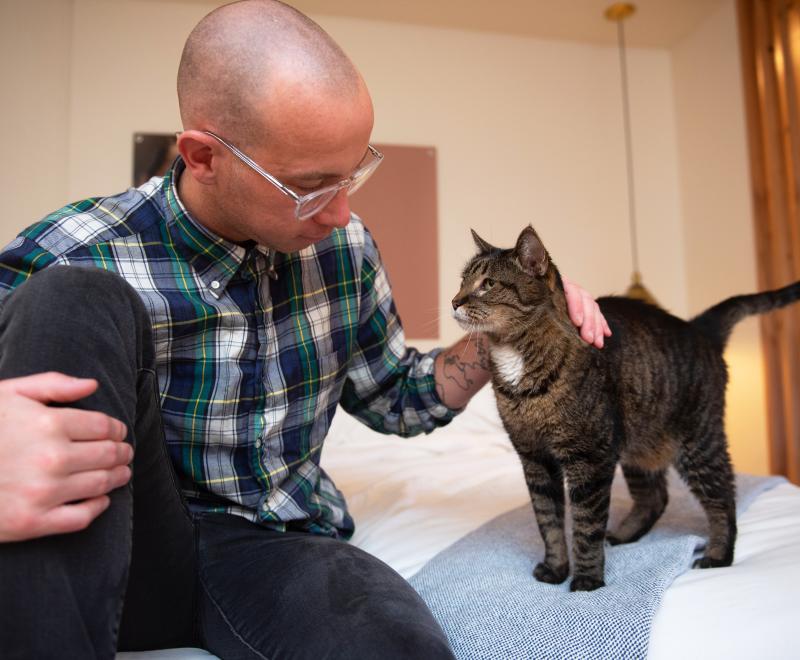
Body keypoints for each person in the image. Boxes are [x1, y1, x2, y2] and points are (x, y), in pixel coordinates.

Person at [0, 1, 610, 658]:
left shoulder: (345, 250)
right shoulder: (77, 245)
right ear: (203, 156)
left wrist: (518, 326)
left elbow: (397, 397)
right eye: (311, 186)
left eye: (353, 173)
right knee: (70, 299)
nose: (342, 211)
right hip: (120, 540)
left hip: (272, 546)